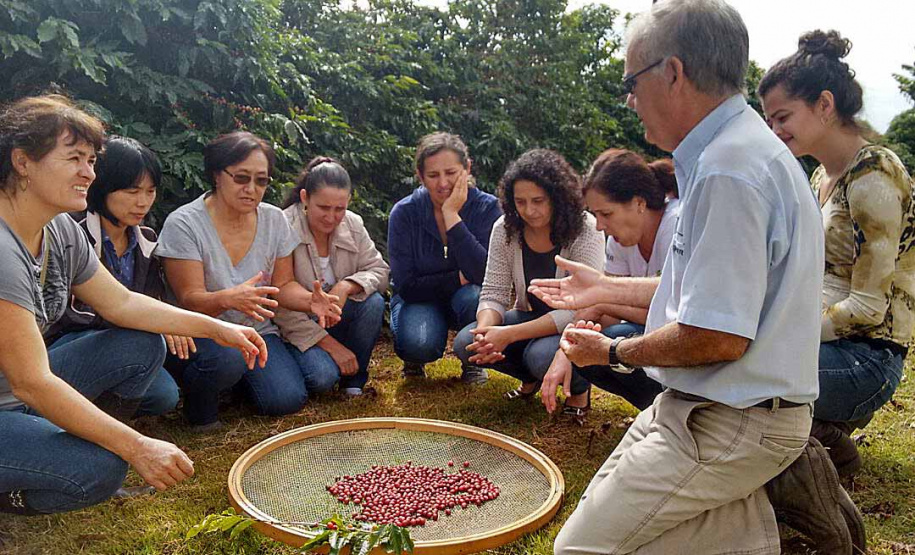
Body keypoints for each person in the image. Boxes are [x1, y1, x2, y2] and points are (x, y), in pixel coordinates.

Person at [529, 2, 864, 553]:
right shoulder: (734, 153)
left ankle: (784, 529)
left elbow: (719, 335)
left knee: (579, 550)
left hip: (731, 422)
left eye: (631, 83)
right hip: (706, 408)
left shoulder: (729, 171)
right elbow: (710, 295)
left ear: (672, 73)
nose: (631, 100)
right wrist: (606, 288)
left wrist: (612, 354)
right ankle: (780, 535)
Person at [0, 95, 267, 514]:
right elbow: (30, 382)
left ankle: (46, 439)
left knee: (141, 344)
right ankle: (11, 492)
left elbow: (123, 303)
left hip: (20, 396)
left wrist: (217, 328)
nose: (88, 173)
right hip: (17, 394)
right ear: (22, 162)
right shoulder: (2, 249)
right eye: (74, 159)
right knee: (101, 469)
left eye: (91, 160)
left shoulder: (60, 233)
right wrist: (135, 446)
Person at [760, 30, 914, 480]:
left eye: (783, 116)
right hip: (823, 345)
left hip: (868, 358)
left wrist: (781, 333)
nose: (775, 130)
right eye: (770, 120)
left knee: (749, 370)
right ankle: (817, 433)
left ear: (824, 105)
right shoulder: (819, 179)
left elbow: (868, 308)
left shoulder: (875, 174)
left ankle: (825, 447)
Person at [157, 131, 341, 432]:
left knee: (286, 400)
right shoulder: (184, 223)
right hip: (204, 331)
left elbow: (282, 287)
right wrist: (227, 299)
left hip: (257, 332)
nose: (251, 189)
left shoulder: (273, 220)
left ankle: (237, 383)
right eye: (241, 178)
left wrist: (309, 300)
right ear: (217, 174)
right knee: (228, 359)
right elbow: (189, 300)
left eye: (261, 180)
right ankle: (200, 408)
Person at [452, 149, 604, 421]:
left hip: (576, 323)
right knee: (467, 342)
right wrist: (487, 330)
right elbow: (494, 291)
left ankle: (579, 392)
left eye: (538, 201)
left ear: (557, 197)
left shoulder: (585, 229)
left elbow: (583, 306)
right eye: (520, 202)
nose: (529, 211)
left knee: (539, 355)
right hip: (529, 313)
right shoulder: (505, 228)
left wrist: (509, 334)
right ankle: (529, 381)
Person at [44, 136, 183, 418]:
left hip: (123, 342)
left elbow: (149, 298)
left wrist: (166, 320)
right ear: (102, 187)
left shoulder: (146, 239)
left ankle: (90, 414)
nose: (142, 202)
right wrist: (144, 320)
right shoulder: (72, 233)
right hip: (68, 342)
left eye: (150, 191)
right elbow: (71, 315)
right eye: (132, 191)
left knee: (164, 396)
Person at [556, 148, 678, 411]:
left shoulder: (677, 227)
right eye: (596, 215)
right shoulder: (620, 241)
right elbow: (604, 306)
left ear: (639, 203)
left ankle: (670, 412)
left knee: (615, 341)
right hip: (652, 333)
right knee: (588, 348)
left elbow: (677, 315)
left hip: (687, 340)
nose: (599, 225)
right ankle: (654, 412)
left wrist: (605, 304)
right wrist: (569, 345)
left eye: (606, 214)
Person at [388, 132, 502, 383]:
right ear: (420, 176)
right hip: (417, 300)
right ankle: (414, 359)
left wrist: (452, 215)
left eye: (451, 173)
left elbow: (486, 275)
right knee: (419, 343)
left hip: (466, 298)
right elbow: (406, 285)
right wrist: (458, 278)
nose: (442, 183)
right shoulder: (404, 213)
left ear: (467, 168)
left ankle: (472, 361)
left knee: (475, 295)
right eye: (433, 175)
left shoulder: (488, 208)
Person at [274, 157, 389, 397]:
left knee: (373, 303)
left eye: (340, 209)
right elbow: (279, 304)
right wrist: (331, 346)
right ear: (305, 198)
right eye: (323, 208)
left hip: (336, 319)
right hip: (296, 329)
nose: (332, 217)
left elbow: (380, 272)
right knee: (322, 377)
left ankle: (353, 382)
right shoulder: (282, 226)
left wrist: (347, 285)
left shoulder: (354, 223)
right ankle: (312, 366)